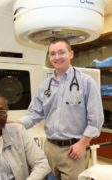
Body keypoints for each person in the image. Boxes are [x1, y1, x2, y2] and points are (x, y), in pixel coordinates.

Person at [19, 38, 104, 180]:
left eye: (61, 52)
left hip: (73, 150)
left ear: (71, 54)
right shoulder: (45, 85)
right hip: (49, 149)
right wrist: (18, 123)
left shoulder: (86, 82)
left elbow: (96, 119)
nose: (57, 57)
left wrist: (83, 144)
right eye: (52, 54)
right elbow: (34, 114)